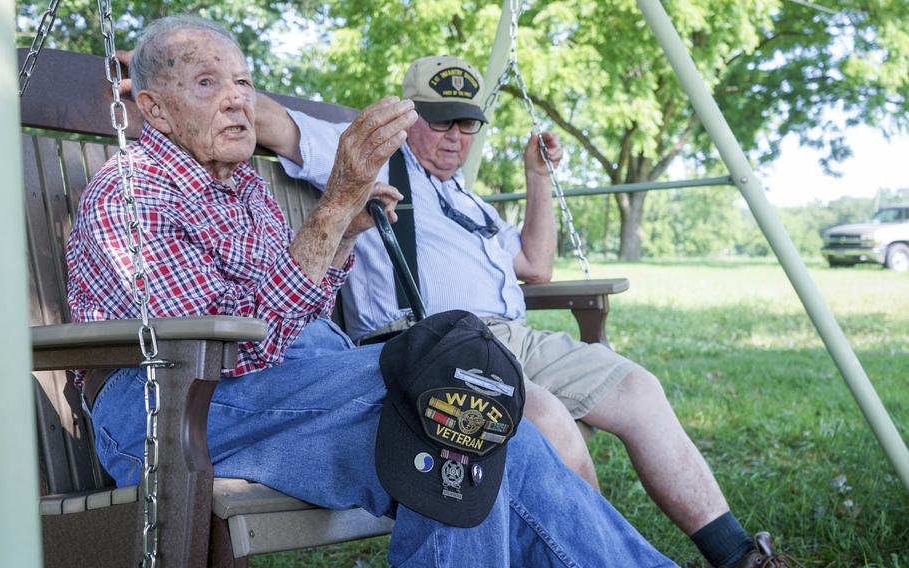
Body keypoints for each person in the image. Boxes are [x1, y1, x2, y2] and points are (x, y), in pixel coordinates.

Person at [69, 16, 680, 567]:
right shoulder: (133, 191)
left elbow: (289, 312)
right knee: (452, 393)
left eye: (244, 82)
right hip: (168, 407)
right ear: (154, 108)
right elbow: (223, 353)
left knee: (470, 435)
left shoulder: (245, 191)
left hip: (280, 388)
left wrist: (341, 234)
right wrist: (332, 208)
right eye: (207, 83)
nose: (237, 99)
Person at [255, 55, 793, 568]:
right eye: (442, 123)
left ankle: (738, 554)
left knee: (639, 389)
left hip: (512, 338)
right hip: (436, 347)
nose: (456, 139)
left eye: (467, 125)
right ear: (407, 117)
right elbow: (269, 120)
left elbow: (534, 265)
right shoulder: (367, 155)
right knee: (549, 423)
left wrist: (538, 178)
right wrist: (206, 82)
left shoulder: (469, 200)